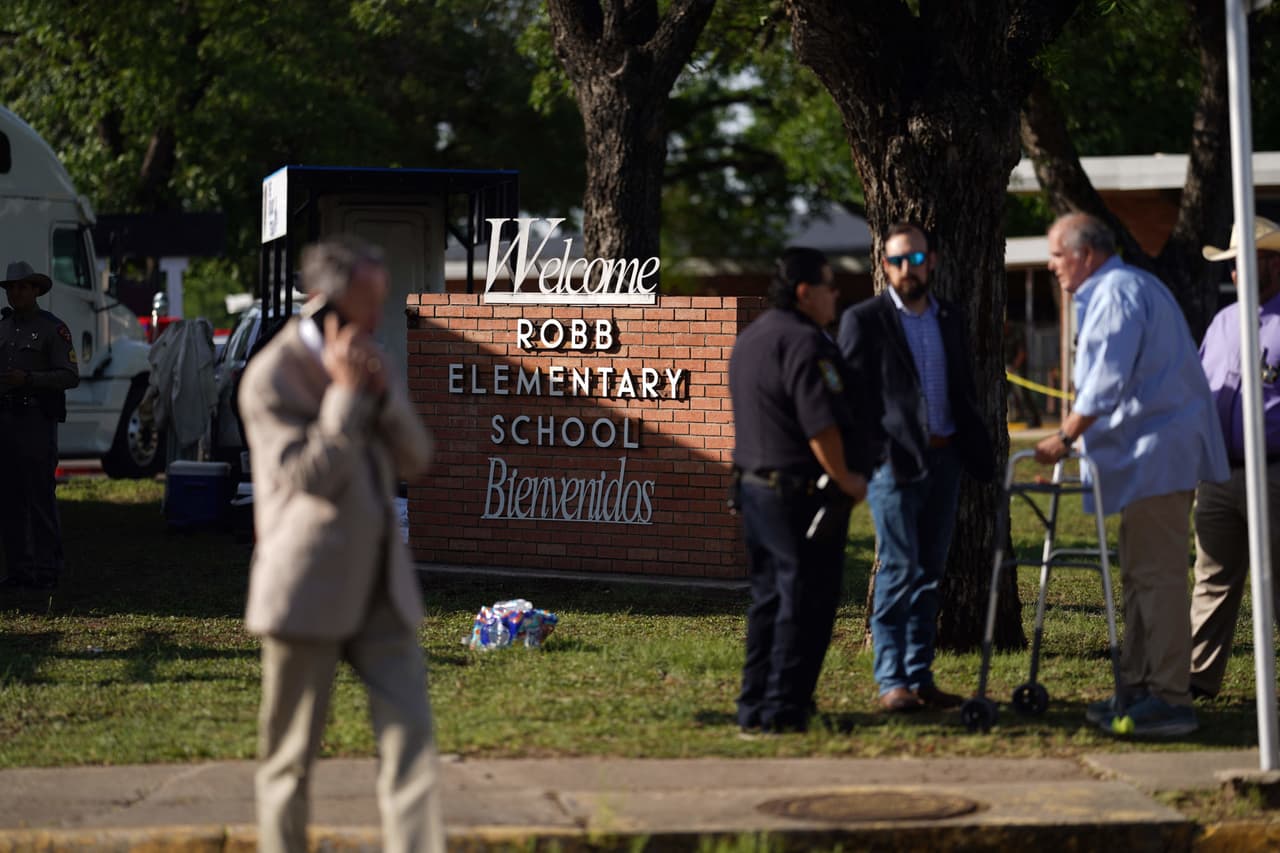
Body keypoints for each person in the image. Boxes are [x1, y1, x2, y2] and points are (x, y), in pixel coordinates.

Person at [238, 236, 442, 852]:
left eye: (381, 302)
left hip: (382, 585)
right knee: (290, 758)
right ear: (324, 300)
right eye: (365, 304)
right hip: (307, 589)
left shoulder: (370, 358)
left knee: (412, 744)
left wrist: (380, 394)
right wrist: (347, 398)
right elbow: (308, 477)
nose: (376, 318)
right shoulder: (271, 377)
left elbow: (417, 458)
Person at [1035, 212, 1228, 737]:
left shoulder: (1117, 292)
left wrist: (1064, 437)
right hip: (1148, 457)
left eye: (1057, 254)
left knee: (1157, 578)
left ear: (1086, 254)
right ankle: (1140, 687)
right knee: (1141, 575)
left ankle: (1169, 698)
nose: (1051, 265)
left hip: (1157, 455)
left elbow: (1105, 381)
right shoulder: (1122, 287)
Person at [838, 223, 995, 713]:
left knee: (930, 573)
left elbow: (963, 387)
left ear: (933, 262)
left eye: (918, 259)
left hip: (946, 459)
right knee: (899, 568)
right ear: (885, 265)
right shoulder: (864, 320)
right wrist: (875, 453)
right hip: (894, 465)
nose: (908, 268)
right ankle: (892, 683)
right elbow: (849, 399)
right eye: (899, 260)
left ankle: (920, 677)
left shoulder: (950, 317)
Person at [729, 246, 872, 734]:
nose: (837, 295)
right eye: (831, 286)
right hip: (799, 496)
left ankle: (754, 706)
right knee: (803, 604)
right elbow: (821, 425)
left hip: (754, 490)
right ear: (805, 292)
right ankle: (782, 712)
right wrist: (847, 478)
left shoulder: (751, 339)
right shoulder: (807, 344)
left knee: (769, 601)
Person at [1188, 216, 1280, 700]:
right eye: (1232, 264)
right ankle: (1197, 680)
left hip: (1274, 472)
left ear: (1274, 264)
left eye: (1245, 262)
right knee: (1212, 578)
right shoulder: (1223, 322)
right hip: (1218, 475)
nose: (1235, 273)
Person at [0, 261, 79, 591]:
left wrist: (30, 379)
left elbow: (70, 376)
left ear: (35, 290)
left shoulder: (52, 329)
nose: (16, 293)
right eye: (11, 288)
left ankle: (47, 569)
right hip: (6, 420)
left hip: (35, 420)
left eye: (22, 287)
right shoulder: (3, 327)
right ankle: (19, 569)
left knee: (40, 496)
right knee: (9, 497)